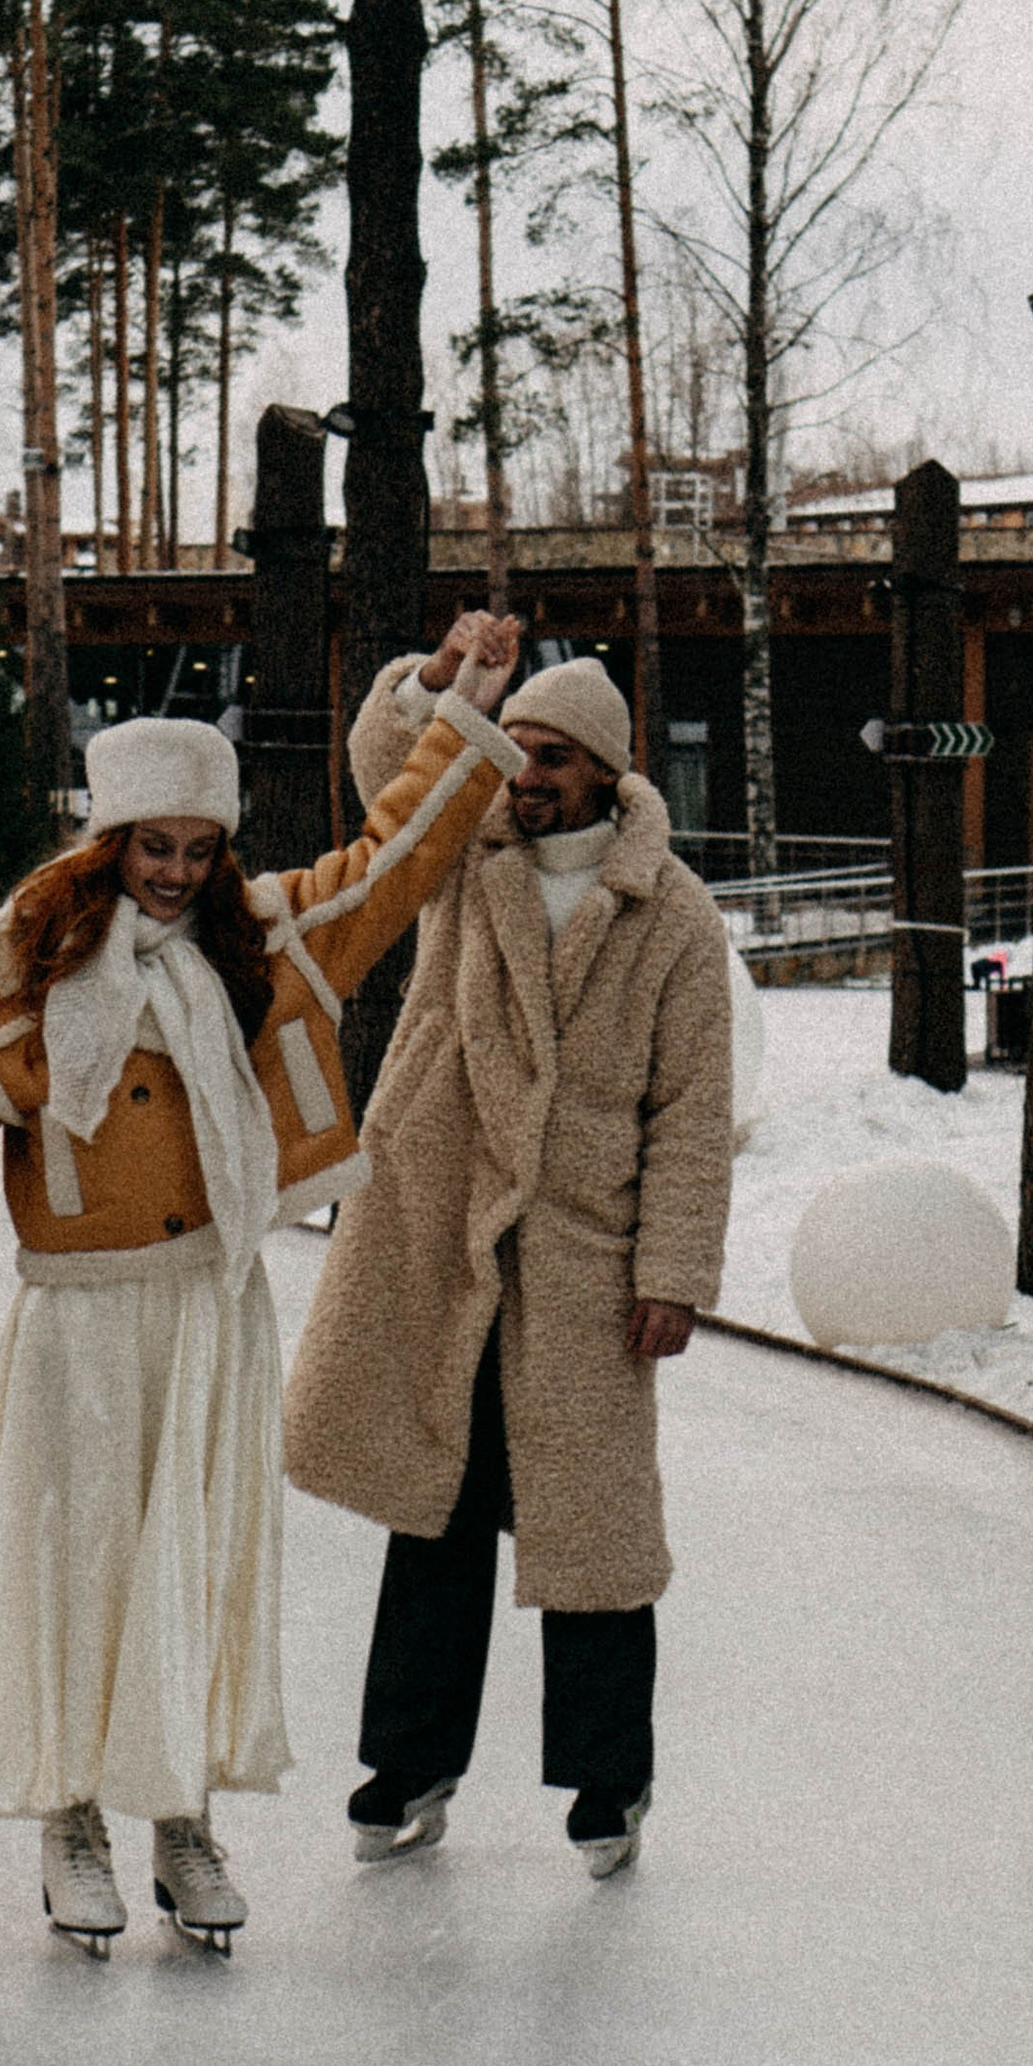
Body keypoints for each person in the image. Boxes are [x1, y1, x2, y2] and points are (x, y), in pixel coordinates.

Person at [0, 612, 527, 1958]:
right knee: (82, 1567)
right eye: (152, 848)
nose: (174, 874)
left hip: (212, 1313)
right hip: (83, 1324)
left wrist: (460, 710)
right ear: (107, 842)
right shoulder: (30, 973)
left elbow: (397, 860)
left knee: (193, 1571)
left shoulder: (266, 948)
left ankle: (178, 1818)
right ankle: (70, 1821)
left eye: (197, 848)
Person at [286, 644, 734, 1879]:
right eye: (516, 752)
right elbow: (388, 766)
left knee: (590, 1522)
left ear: (602, 773)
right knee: (433, 1507)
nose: (523, 778)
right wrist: (439, 683)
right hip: (441, 1222)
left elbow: (691, 1109)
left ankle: (608, 1781)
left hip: (583, 1247)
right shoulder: (459, 857)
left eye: (550, 759)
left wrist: (673, 1271)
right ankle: (408, 1760)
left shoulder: (672, 913)